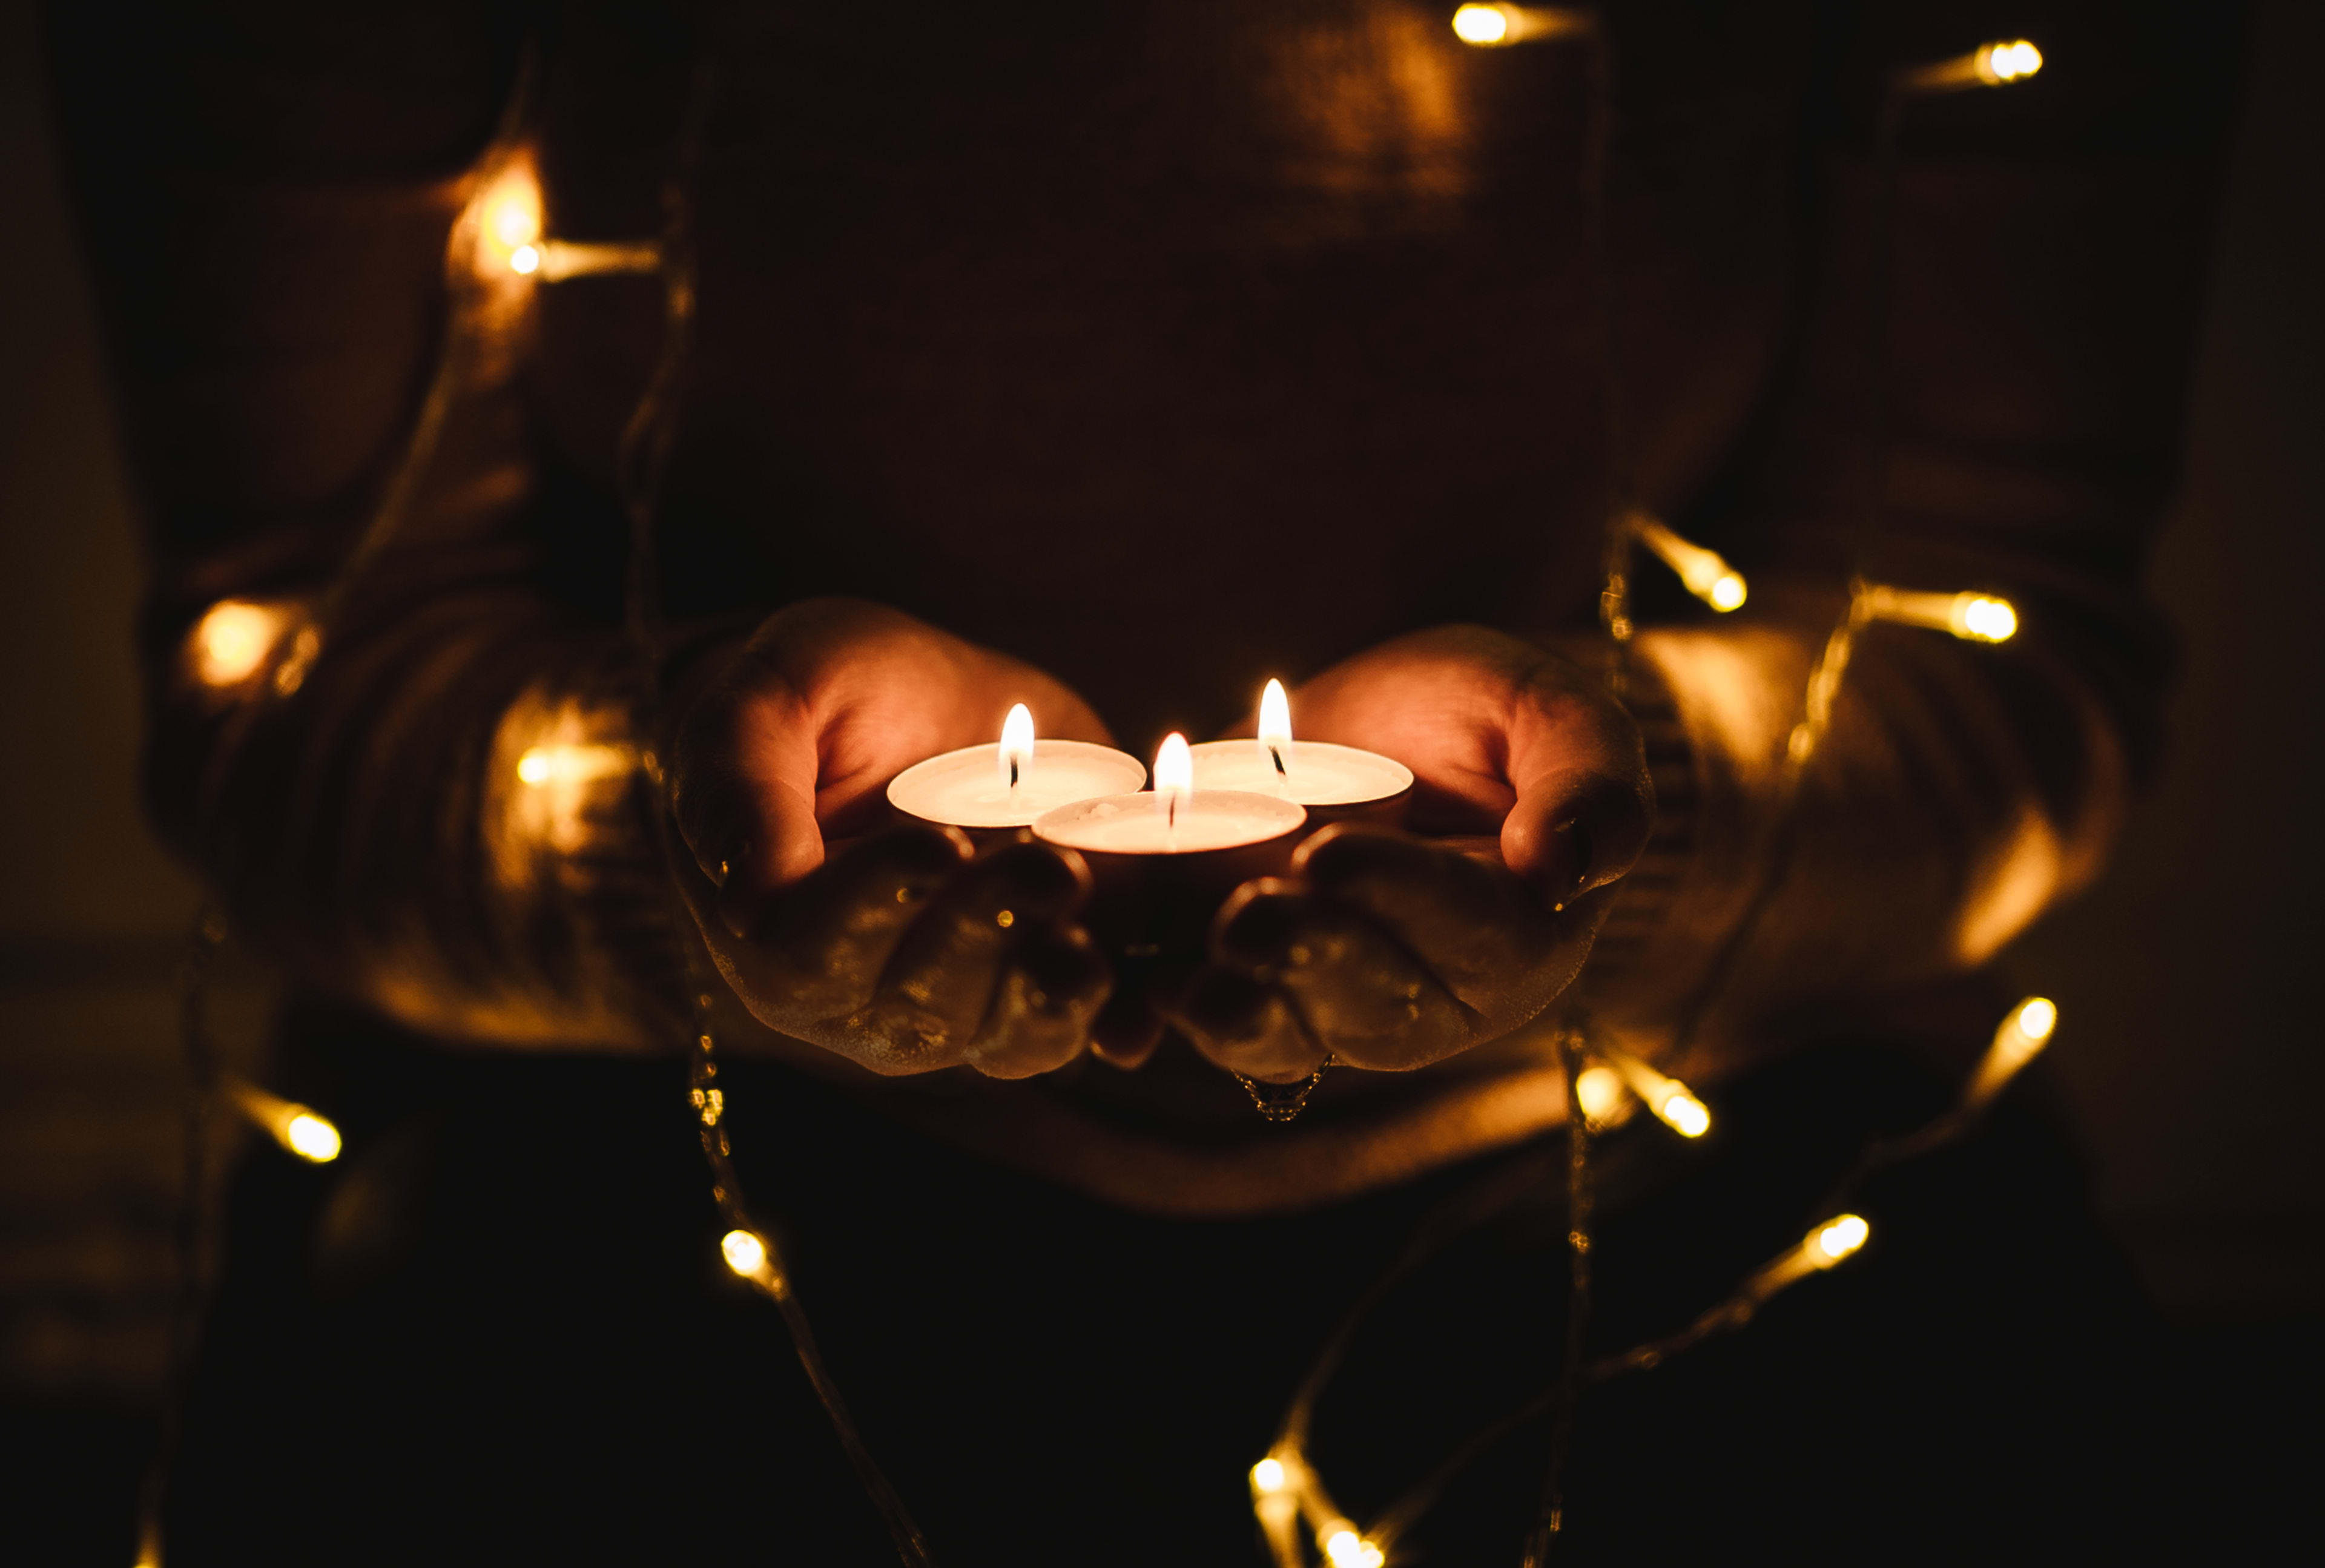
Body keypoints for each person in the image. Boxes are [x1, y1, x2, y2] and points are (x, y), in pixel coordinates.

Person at [47, 1, 2242, 1562]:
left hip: (1687, 1186)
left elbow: (2001, 649)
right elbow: (292, 694)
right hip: (645, 1166)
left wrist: (1636, 816)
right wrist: (694, 846)